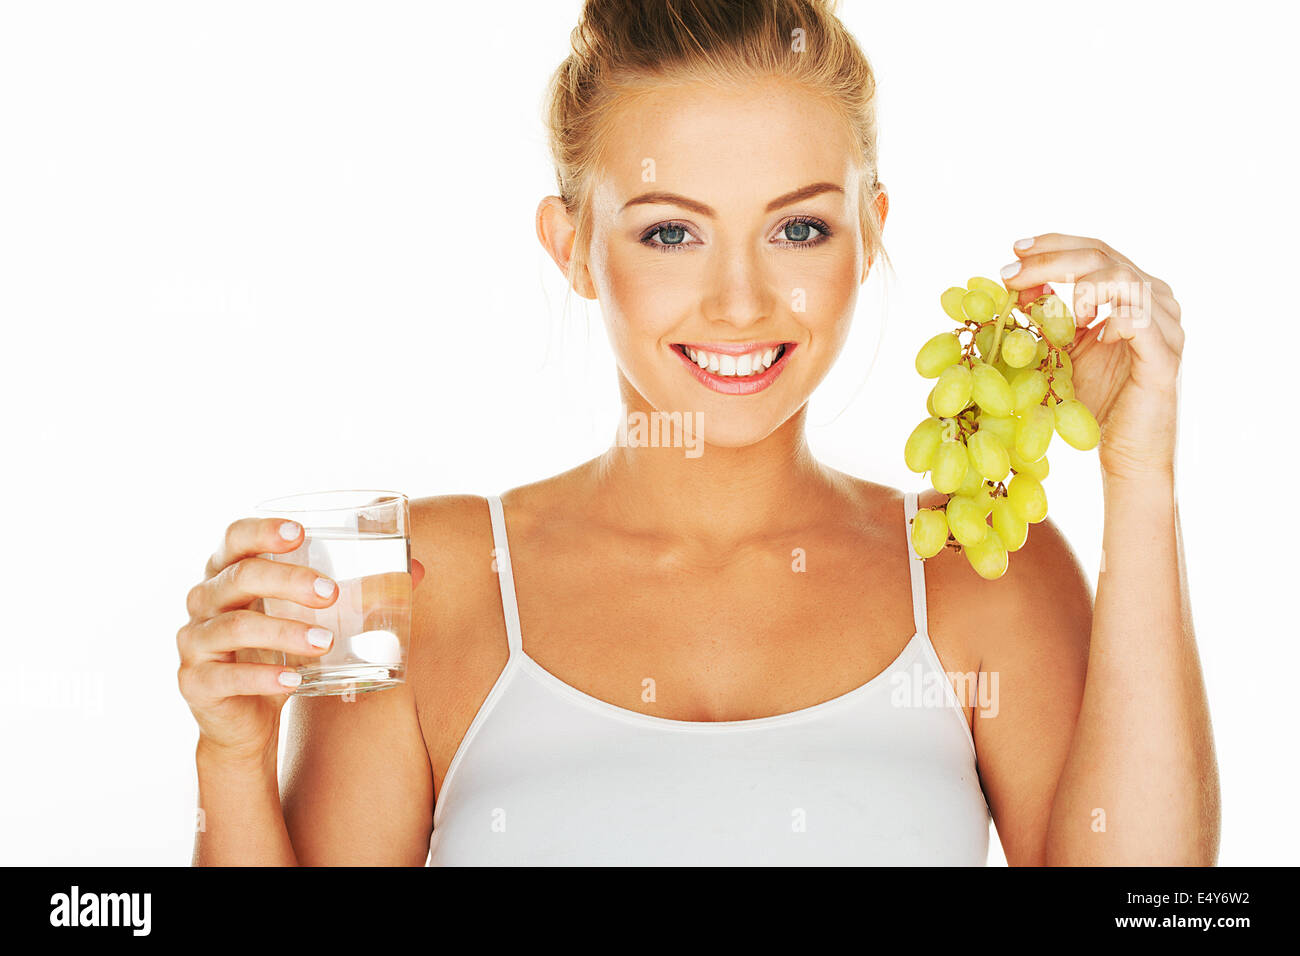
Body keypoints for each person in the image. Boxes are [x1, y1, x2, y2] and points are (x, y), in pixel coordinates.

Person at [177, 0, 1217, 865]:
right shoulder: (419, 579)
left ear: (868, 239)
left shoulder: (979, 571)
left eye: (798, 228)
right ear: (572, 246)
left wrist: (1140, 469)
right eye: (670, 231)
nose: (738, 301)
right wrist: (229, 757)